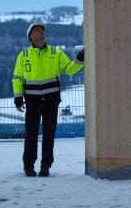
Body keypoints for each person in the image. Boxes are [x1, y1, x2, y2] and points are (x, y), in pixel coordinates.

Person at [12, 23, 84, 177]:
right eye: (35, 32)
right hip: (32, 100)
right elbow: (17, 78)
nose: (39, 34)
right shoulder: (23, 55)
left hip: (51, 99)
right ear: (30, 36)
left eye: (41, 31)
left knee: (49, 134)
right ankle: (28, 166)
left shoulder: (55, 52)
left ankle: (45, 166)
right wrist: (18, 96)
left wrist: (79, 60)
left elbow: (69, 69)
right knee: (31, 133)